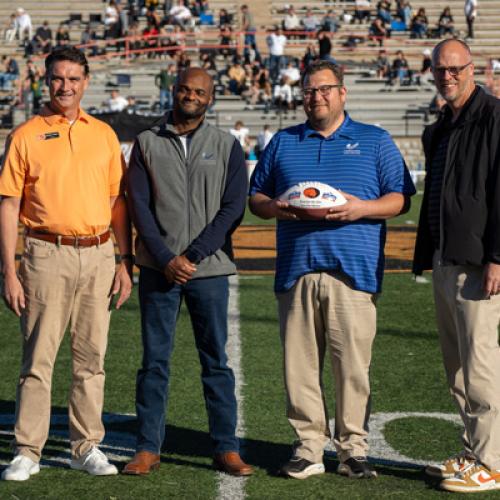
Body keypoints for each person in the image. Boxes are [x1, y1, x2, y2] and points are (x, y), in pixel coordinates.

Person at [249, 60, 415, 481]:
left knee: (352, 369)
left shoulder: (375, 141)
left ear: (343, 93)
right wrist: (278, 208)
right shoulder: (283, 142)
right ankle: (308, 449)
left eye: (324, 89)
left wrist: (360, 207)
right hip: (297, 270)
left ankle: (353, 450)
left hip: (353, 274)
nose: (316, 96)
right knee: (299, 367)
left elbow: (399, 199)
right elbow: (257, 199)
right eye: (308, 90)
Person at [0, 46, 133, 482]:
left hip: (97, 254)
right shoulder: (25, 135)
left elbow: (117, 202)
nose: (66, 87)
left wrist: (123, 259)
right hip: (45, 253)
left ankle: (85, 445)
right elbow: (9, 204)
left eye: (74, 78)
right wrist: (9, 270)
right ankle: (28, 450)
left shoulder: (105, 135)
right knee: (38, 358)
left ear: (86, 82)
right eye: (58, 78)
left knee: (91, 359)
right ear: (46, 80)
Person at [123, 67, 253, 477]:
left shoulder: (226, 143)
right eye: (185, 89)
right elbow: (138, 206)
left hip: (209, 270)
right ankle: (147, 447)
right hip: (159, 270)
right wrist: (165, 258)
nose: (191, 96)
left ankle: (226, 447)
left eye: (199, 91)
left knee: (215, 361)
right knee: (154, 362)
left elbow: (233, 207)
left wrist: (192, 254)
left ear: (210, 98)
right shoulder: (146, 142)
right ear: (174, 91)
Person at [413, 38, 500, 494]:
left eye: (455, 68)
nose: (447, 76)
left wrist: (497, 257)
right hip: (446, 258)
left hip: (478, 262)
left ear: (473, 69)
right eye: (440, 69)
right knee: (458, 369)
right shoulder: (441, 126)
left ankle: (491, 461)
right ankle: (472, 450)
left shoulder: (495, 117)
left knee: (481, 364)